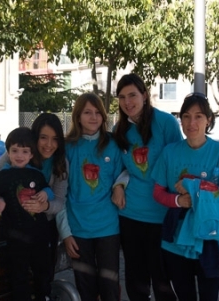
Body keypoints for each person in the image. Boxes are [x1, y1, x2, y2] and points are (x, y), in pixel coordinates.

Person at [151, 92, 219, 301]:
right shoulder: (169, 152)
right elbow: (158, 193)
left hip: (211, 240)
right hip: (175, 243)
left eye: (198, 116)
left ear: (208, 120)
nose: (192, 122)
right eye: (186, 116)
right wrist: (178, 200)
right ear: (180, 119)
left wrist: (195, 187)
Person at [113, 73, 182, 301]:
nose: (127, 102)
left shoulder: (166, 123)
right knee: (135, 279)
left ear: (144, 95)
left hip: (160, 215)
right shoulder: (119, 130)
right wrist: (120, 185)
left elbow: (177, 164)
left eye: (132, 95)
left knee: (162, 279)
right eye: (122, 97)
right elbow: (121, 169)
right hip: (130, 214)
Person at [56, 93, 123, 301]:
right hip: (78, 230)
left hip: (108, 227)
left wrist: (120, 185)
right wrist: (65, 234)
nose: (93, 117)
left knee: (110, 286)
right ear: (77, 116)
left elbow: (126, 171)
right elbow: (60, 194)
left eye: (97, 113)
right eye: (87, 112)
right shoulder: (66, 148)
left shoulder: (113, 144)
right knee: (85, 287)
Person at [0, 126, 55, 300]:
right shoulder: (2, 176)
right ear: (8, 152)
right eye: (15, 150)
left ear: (31, 154)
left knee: (42, 274)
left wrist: (44, 194)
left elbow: (49, 191)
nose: (19, 155)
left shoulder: (37, 175)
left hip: (39, 238)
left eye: (25, 151)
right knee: (18, 278)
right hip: (15, 239)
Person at [0, 113, 69, 284]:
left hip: (44, 228)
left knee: (43, 278)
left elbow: (59, 200)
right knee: (15, 279)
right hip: (14, 227)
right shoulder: (16, 155)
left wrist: (45, 206)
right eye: (43, 138)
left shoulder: (60, 161)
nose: (49, 145)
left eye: (55, 139)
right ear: (35, 137)